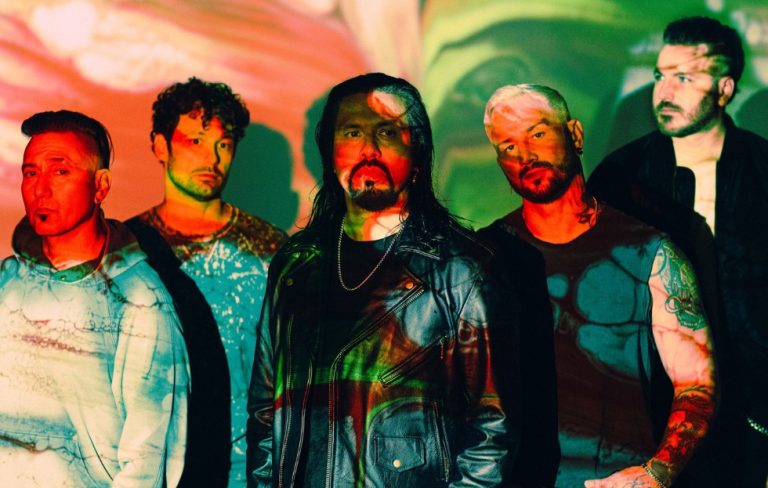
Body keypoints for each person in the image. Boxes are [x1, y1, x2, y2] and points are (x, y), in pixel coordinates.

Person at [246, 72, 522, 487]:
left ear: (417, 153)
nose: (369, 149)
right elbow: (266, 414)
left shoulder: (460, 270)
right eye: (352, 132)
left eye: (388, 132)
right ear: (331, 153)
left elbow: (493, 429)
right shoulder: (295, 266)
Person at [482, 84, 717, 488]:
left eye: (537, 133)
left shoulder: (651, 251)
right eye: (508, 146)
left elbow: (696, 384)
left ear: (575, 134)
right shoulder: (484, 256)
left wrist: (656, 473)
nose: (525, 155)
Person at [588, 16, 768, 487]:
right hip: (654, 408)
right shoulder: (620, 176)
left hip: (752, 409)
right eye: (660, 75)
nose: (665, 91)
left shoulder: (762, 171)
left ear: (724, 88)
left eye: (684, 77)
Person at [0, 110, 188, 486]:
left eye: (60, 171)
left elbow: (146, 459)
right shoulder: (8, 282)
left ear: (100, 186)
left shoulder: (140, 299)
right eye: (30, 173)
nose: (40, 189)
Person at [127, 77, 287, 487]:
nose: (212, 158)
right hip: (150, 469)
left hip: (246, 471)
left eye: (224, 144)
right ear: (160, 146)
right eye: (195, 141)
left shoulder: (271, 251)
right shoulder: (126, 250)